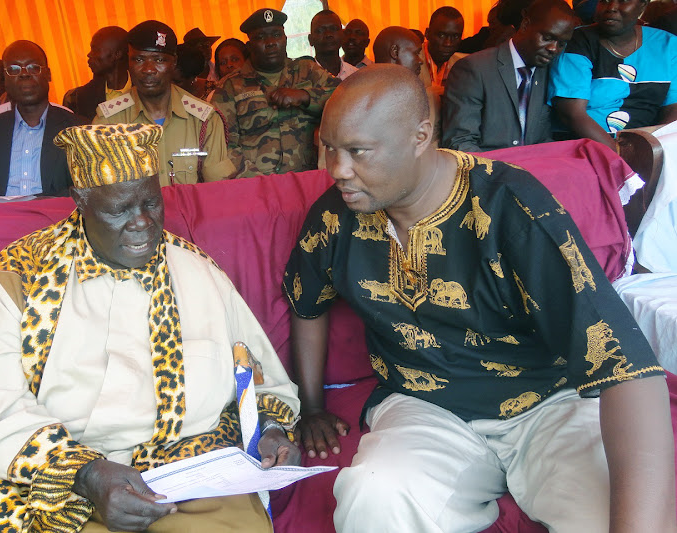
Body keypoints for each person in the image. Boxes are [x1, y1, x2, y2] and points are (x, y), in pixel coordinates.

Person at [284, 63, 676, 532]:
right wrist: (310, 407)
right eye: (328, 147)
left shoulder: (510, 205)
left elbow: (628, 369)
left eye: (357, 151)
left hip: (547, 404)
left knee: (612, 514)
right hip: (421, 406)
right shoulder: (336, 215)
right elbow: (308, 303)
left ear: (421, 135)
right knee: (375, 494)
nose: (337, 169)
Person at [0, 123, 300, 533]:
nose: (142, 223)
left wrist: (272, 430)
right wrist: (84, 474)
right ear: (80, 201)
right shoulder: (20, 275)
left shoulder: (198, 271)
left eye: (151, 204)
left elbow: (260, 380)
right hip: (37, 472)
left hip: (181, 473)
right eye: (119, 209)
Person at [94, 20, 234, 185]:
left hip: (189, 211)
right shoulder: (108, 121)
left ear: (174, 62)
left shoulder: (204, 119)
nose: (148, 69)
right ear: (128, 62)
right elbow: (102, 195)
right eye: (139, 59)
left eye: (159, 60)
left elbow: (218, 192)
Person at [212, 8, 338, 179]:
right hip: (255, 188)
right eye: (261, 37)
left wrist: (304, 96)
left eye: (276, 35)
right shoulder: (230, 87)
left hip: (307, 182)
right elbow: (224, 144)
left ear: (285, 39)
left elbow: (344, 97)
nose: (270, 42)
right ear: (249, 46)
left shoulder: (307, 71)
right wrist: (260, 184)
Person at [442, 0, 578, 151]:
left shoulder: (549, 72)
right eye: (547, 38)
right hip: (488, 169)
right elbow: (460, 142)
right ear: (525, 25)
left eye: (561, 44)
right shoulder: (473, 69)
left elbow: (541, 139)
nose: (553, 49)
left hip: (535, 167)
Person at [0, 40, 83, 199]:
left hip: (57, 219)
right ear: (4, 79)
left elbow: (84, 191)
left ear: (48, 74)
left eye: (33, 67)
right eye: (14, 69)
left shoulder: (79, 129)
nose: (24, 74)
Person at [550, 0, 677, 150]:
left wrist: (655, 149)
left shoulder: (667, 45)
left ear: (643, 5)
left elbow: (672, 108)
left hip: (646, 148)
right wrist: (620, 158)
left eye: (623, 1)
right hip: (582, 148)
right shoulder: (577, 42)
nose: (611, 8)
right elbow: (572, 114)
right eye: (604, 1)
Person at [63, 26, 130, 122]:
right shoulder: (76, 99)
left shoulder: (145, 92)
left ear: (117, 54)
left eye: (96, 49)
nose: (89, 54)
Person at [424, 7, 467, 98]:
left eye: (455, 36)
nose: (448, 43)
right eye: (442, 35)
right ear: (427, 33)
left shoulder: (464, 65)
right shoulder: (407, 61)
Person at [309, 10, 358, 80]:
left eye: (334, 29)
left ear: (343, 35)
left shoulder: (355, 75)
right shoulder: (300, 79)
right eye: (320, 30)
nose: (328, 34)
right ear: (310, 39)